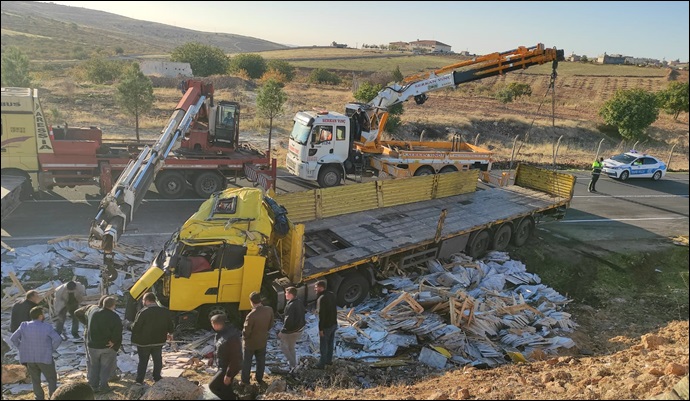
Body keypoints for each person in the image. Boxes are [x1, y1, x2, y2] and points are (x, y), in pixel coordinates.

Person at [10, 306, 62, 400]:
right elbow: (58, 339)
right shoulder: (46, 326)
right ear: (40, 316)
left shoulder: (24, 325)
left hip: (30, 358)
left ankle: (39, 398)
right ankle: (53, 397)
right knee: (51, 379)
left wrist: (21, 348)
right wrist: (51, 349)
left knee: (35, 380)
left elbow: (13, 338)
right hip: (44, 358)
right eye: (43, 314)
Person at [131, 292, 174, 385]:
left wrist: (128, 326)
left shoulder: (143, 312)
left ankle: (139, 380)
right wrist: (170, 333)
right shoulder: (164, 311)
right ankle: (157, 377)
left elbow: (135, 328)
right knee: (157, 359)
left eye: (143, 300)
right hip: (158, 341)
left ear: (146, 301)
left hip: (143, 342)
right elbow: (171, 326)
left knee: (143, 361)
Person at [86, 296, 122, 394]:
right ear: (113, 306)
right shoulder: (114, 316)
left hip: (93, 346)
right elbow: (118, 331)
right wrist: (114, 341)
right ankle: (103, 386)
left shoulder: (94, 313)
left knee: (94, 366)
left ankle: (93, 386)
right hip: (107, 346)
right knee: (105, 368)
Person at [241, 292, 274, 386]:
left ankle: (245, 381)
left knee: (247, 362)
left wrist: (244, 338)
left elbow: (246, 332)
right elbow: (271, 324)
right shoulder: (269, 310)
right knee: (261, 361)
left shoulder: (251, 315)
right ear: (261, 300)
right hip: (262, 340)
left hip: (250, 343)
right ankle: (259, 378)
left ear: (251, 301)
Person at [208, 314, 242, 400]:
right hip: (222, 364)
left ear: (220, 324)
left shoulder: (231, 337)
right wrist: (212, 357)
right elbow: (217, 347)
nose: (213, 326)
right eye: (212, 324)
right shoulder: (220, 333)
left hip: (229, 367)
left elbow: (236, 358)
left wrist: (228, 375)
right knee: (225, 386)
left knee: (213, 386)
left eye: (214, 324)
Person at [278, 287, 305, 372]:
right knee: (291, 347)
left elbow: (288, 321)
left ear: (290, 294)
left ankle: (293, 364)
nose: (285, 295)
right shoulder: (299, 302)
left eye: (286, 293)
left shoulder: (291, 305)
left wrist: (282, 332)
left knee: (282, 346)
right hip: (299, 328)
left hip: (292, 330)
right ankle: (293, 365)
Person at [314, 280, 337, 369]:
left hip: (326, 326)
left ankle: (321, 364)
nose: (315, 290)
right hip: (334, 323)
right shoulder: (332, 294)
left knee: (323, 345)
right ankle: (329, 360)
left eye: (316, 287)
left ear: (321, 287)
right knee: (330, 343)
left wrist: (321, 329)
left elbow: (322, 315)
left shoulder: (321, 298)